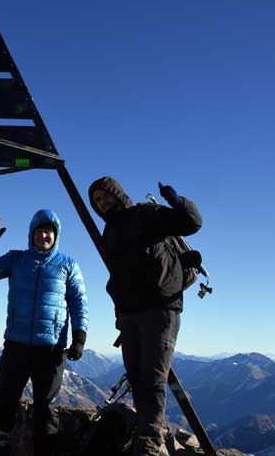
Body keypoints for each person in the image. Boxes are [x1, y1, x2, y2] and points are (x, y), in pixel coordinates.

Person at [87, 178, 202, 456]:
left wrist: (176, 200)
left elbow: (192, 223)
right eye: (97, 201)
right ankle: (146, 435)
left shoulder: (144, 214)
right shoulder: (109, 232)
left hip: (160, 307)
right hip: (130, 314)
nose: (102, 204)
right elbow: (117, 279)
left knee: (152, 378)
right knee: (138, 378)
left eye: (105, 197)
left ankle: (148, 446)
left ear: (117, 194)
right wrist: (119, 314)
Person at [0, 209, 89, 456]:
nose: (44, 236)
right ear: (31, 235)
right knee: (6, 399)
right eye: (39, 231)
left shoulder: (68, 265)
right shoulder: (17, 259)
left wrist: (79, 337)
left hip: (51, 349)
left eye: (48, 231)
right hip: (16, 345)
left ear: (55, 236)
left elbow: (79, 302)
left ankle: (44, 450)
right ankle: (0, 447)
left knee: (46, 408)